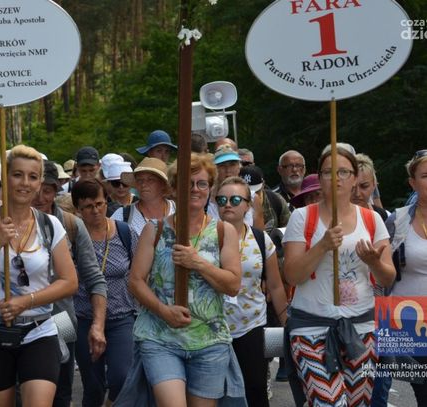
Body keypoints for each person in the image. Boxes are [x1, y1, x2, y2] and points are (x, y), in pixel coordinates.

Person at [0, 145, 79, 407]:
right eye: (17, 175)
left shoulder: (50, 225)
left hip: (38, 331)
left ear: (40, 183)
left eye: (32, 177)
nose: (25, 183)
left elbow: (70, 282)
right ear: (6, 178)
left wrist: (26, 301)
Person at [127, 152, 244, 406]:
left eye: (202, 183)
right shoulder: (154, 229)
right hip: (160, 337)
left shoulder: (223, 231)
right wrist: (163, 310)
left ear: (210, 189)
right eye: (187, 184)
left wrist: (197, 262)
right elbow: (135, 281)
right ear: (174, 189)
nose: (195, 189)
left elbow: (233, 285)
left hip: (209, 340)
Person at [283, 146, 395, 406]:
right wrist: (322, 245)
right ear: (319, 178)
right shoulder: (302, 217)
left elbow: (388, 278)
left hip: (362, 329)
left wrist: (374, 263)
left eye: (343, 172)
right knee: (329, 403)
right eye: (328, 172)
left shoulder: (372, 220)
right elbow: (292, 275)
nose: (336, 178)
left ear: (354, 178)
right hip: (311, 329)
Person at [31, 161, 107, 407]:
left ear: (56, 191)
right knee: (24, 391)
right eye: (36, 189)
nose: (40, 197)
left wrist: (97, 325)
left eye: (47, 190)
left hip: (62, 318)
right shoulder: (11, 223)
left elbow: (94, 277)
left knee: (63, 388)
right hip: (21, 321)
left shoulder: (72, 225)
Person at [216, 176, 288, 406]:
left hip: (252, 324)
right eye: (222, 200)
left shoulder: (260, 238)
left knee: (255, 388)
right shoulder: (205, 237)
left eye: (235, 199)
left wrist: (287, 324)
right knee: (219, 393)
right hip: (213, 327)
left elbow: (275, 285)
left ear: (248, 205)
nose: (228, 204)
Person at [71, 179, 138, 406]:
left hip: (121, 317)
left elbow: (140, 273)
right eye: (88, 207)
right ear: (78, 209)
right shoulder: (71, 238)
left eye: (99, 204)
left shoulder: (125, 232)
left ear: (106, 201)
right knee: (92, 385)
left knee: (122, 376)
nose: (96, 211)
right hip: (83, 319)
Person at [384, 149, 427, 406]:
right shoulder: (398, 220)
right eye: (425, 176)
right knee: (423, 389)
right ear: (412, 182)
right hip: (408, 315)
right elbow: (380, 272)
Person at [111, 157, 175, 235]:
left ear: (162, 184)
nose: (143, 184)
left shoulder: (178, 210)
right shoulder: (121, 215)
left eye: (150, 180)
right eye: (140, 180)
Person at [351, 153, 387, 221]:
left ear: (374, 185)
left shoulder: (382, 215)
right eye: (352, 187)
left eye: (364, 186)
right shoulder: (334, 216)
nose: (357, 193)